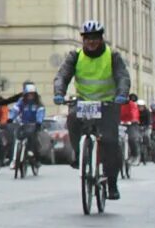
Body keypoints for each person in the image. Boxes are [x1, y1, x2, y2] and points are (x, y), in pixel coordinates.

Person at [51, 20, 130, 201]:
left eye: (95, 38)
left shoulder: (112, 56)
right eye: (87, 39)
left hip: (107, 104)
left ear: (101, 39)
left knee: (110, 142)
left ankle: (112, 183)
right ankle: (79, 153)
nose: (91, 42)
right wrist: (59, 93)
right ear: (83, 40)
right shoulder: (75, 56)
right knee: (72, 118)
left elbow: (122, 77)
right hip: (84, 102)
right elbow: (62, 75)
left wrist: (122, 94)